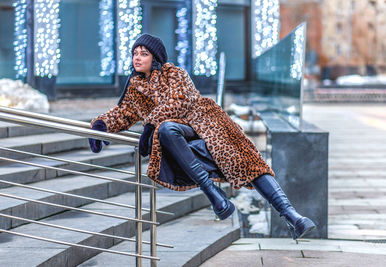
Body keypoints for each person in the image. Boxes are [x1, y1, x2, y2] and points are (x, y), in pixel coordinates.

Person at [89, 33, 316, 240]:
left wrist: (149, 125)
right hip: (175, 134)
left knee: (249, 163)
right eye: (135, 53)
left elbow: (178, 102)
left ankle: (293, 216)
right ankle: (214, 194)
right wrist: (100, 126)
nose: (137, 58)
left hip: (205, 123)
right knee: (166, 129)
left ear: (155, 57)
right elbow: (124, 112)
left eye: (143, 53)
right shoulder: (135, 87)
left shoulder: (174, 73)